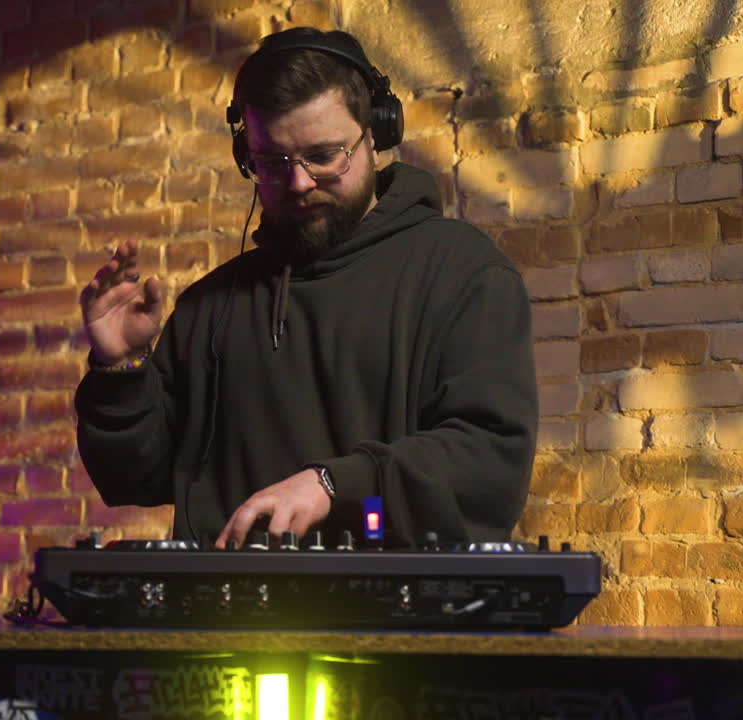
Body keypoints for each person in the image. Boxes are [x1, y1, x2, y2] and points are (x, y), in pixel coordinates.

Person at [74, 27, 537, 549]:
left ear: (376, 136)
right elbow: (134, 477)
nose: (298, 184)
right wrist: (120, 370)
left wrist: (334, 485)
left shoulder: (462, 272)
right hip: (227, 625)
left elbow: (490, 462)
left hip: (398, 624)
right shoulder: (211, 305)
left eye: (323, 155)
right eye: (272, 163)